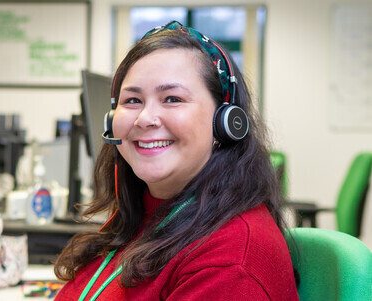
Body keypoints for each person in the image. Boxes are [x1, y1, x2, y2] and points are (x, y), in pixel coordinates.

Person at [54, 21, 299, 300]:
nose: (145, 118)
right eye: (132, 100)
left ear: (225, 122)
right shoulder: (140, 219)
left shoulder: (229, 262)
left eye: (172, 98)